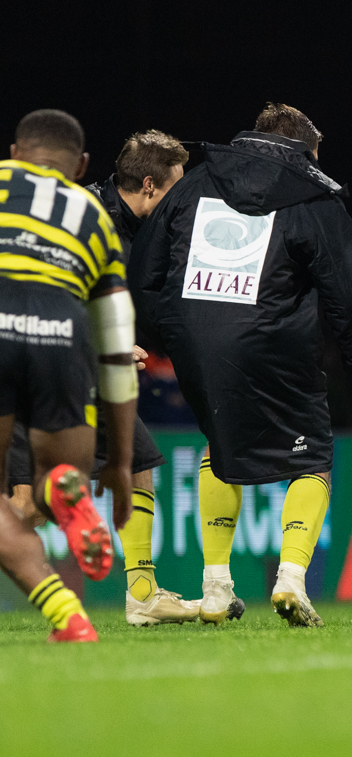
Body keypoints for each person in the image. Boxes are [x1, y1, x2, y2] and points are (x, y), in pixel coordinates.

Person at [128, 104, 352, 627]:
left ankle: (216, 588)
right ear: (306, 152)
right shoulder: (310, 196)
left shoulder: (193, 185)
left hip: (194, 340)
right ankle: (291, 580)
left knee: (220, 444)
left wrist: (167, 333)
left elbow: (145, 269)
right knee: (312, 457)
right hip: (274, 339)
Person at [5, 130, 235, 626]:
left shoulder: (121, 224)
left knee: (139, 463)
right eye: (176, 187)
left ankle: (142, 593)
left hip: (52, 357)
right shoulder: (94, 222)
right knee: (24, 506)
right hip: (45, 356)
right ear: (149, 185)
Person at [0, 109, 138, 641]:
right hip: (62, 329)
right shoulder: (92, 215)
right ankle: (64, 488)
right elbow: (118, 343)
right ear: (80, 166)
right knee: (54, 479)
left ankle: (62, 608)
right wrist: (121, 463)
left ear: (16, 151)